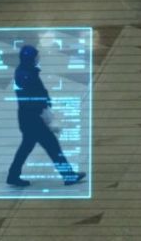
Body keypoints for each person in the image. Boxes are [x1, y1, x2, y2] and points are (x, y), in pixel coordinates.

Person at [5, 45, 85, 190]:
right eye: (36, 56)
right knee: (52, 146)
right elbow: (33, 96)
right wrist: (43, 107)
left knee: (27, 147)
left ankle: (13, 175)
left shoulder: (26, 71)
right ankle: (68, 176)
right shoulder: (26, 74)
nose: (38, 58)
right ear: (30, 59)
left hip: (28, 118)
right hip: (33, 118)